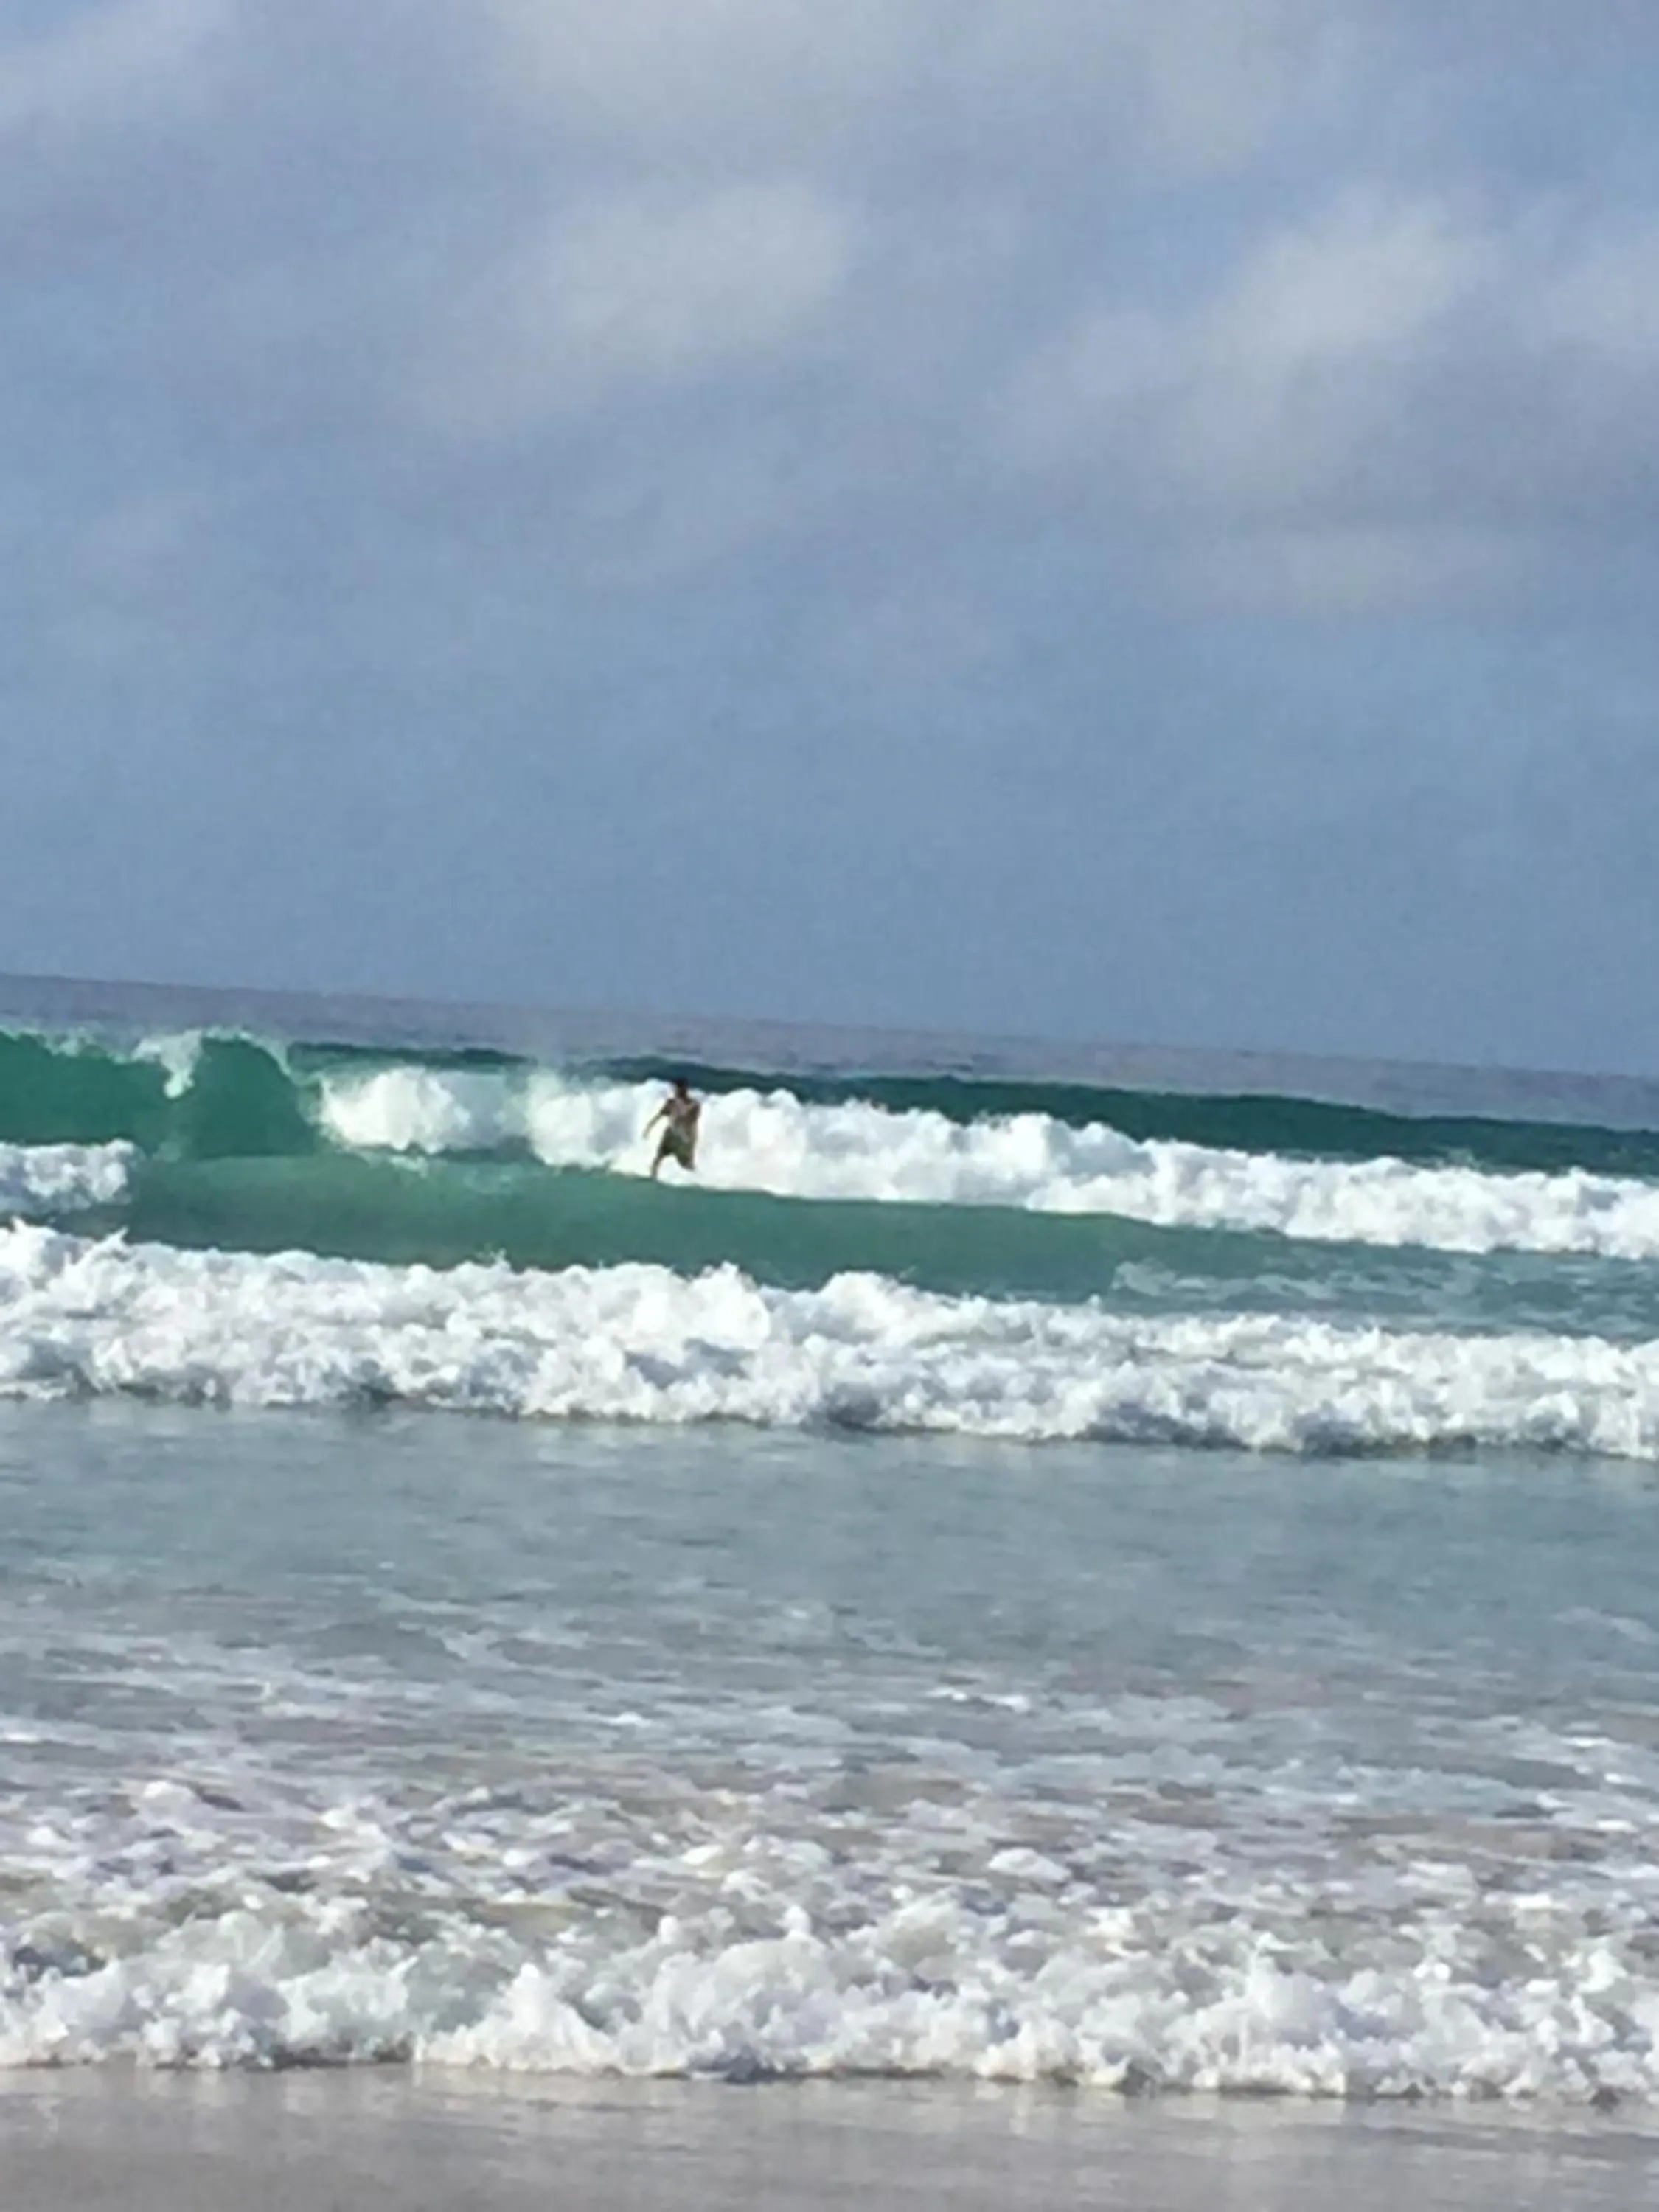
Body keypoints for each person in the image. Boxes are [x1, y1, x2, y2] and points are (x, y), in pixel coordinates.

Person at [644, 1078, 701, 1178]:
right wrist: (648, 1128)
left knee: (687, 1165)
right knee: (658, 1158)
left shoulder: (693, 1105)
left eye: (679, 1089)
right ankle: (652, 1178)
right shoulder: (671, 1103)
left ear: (685, 1089)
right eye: (675, 1089)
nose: (676, 1092)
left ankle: (698, 1179)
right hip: (670, 1134)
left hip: (684, 1139)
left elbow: (692, 1122)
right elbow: (659, 1116)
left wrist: (691, 1142)